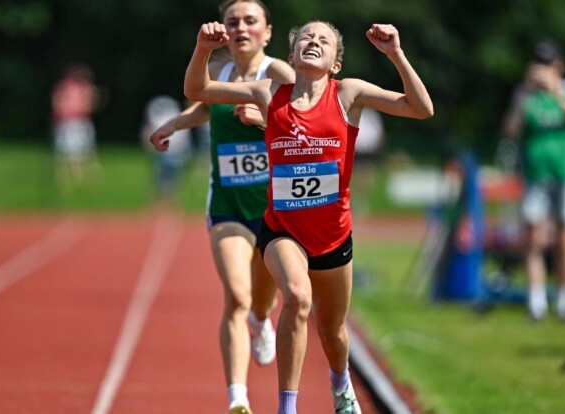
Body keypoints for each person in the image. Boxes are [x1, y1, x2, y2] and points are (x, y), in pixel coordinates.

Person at [184, 19, 433, 414]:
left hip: (333, 236)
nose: (313, 42)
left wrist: (395, 54)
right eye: (306, 38)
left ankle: (340, 381)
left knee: (333, 333)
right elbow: (197, 90)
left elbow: (421, 109)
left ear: (336, 63)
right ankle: (287, 407)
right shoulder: (268, 93)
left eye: (323, 40)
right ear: (292, 55)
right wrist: (203, 49)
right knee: (298, 296)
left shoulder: (348, 93)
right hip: (282, 231)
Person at [149, 1, 295, 413]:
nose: (241, 28)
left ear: (267, 31)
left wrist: (265, 120)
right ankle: (238, 398)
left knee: (262, 301)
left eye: (251, 21)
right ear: (224, 32)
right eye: (233, 22)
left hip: (273, 210)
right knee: (236, 295)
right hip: (228, 205)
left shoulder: (280, 74)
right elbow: (203, 101)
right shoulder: (221, 72)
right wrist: (174, 123)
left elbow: (304, 123)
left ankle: (261, 322)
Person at [502, 39, 565, 321]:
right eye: (538, 63)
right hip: (535, 172)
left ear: (559, 66)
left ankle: (564, 300)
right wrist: (526, 94)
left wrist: (556, 92)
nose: (542, 69)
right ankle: (536, 303)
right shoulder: (524, 94)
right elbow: (510, 131)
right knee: (534, 237)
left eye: (547, 63)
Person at [51, 63, 100, 188]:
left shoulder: (84, 89)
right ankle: (72, 180)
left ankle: (82, 180)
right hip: (69, 122)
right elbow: (58, 104)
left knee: (84, 152)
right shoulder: (66, 87)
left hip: (79, 121)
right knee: (68, 153)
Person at [141, 95, 193, 205]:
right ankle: (159, 202)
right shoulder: (163, 120)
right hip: (164, 151)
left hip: (175, 151)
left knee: (173, 178)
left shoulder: (177, 120)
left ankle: (171, 202)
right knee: (160, 177)